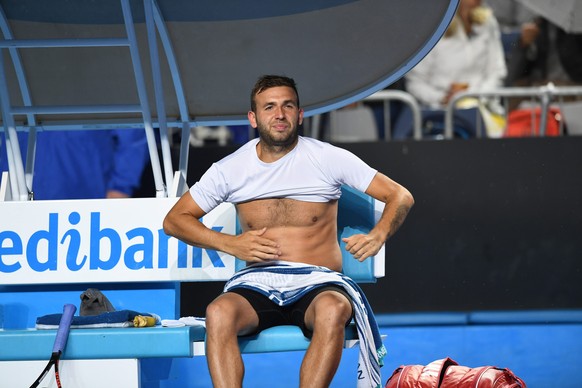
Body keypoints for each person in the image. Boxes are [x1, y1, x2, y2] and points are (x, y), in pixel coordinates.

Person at [163, 75, 414, 387]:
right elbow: (174, 220)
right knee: (218, 312)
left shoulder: (327, 157)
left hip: (317, 282)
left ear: (300, 114)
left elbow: (400, 195)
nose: (279, 114)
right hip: (257, 283)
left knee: (333, 309)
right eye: (269, 107)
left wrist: (378, 235)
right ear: (253, 119)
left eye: (287, 106)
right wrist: (230, 244)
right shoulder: (230, 168)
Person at [405, 0, 507, 108]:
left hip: (481, 108)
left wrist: (474, 97)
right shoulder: (431, 25)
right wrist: (442, 98)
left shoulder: (488, 22)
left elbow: (497, 71)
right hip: (438, 111)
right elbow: (415, 82)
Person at [0, 128, 150, 200]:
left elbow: (133, 137)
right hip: (12, 198)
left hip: (85, 203)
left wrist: (120, 188)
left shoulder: (104, 74)